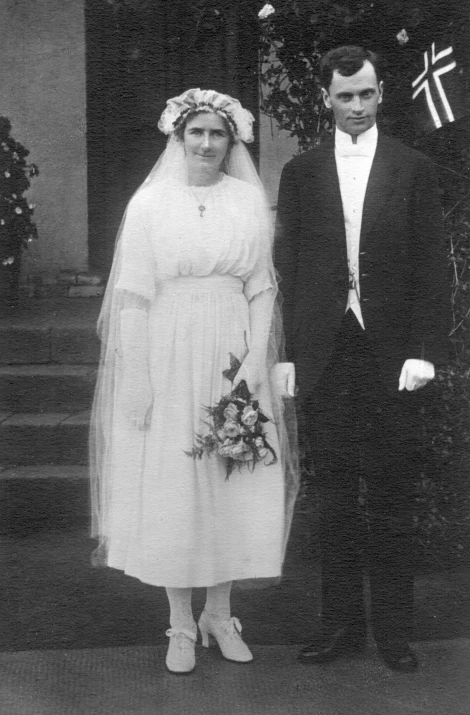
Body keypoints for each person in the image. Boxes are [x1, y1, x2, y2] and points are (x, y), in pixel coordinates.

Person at [90, 89, 299, 675]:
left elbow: (261, 288)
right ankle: (181, 622)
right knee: (176, 482)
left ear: (232, 142)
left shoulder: (247, 202)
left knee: (232, 475)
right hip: (168, 352)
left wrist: (255, 361)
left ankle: (220, 613)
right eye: (196, 133)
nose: (207, 144)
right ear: (178, 139)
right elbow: (131, 297)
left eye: (217, 134)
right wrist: (137, 376)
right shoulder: (151, 204)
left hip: (232, 353)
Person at [275, 46, 449, 672]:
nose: (355, 106)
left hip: (391, 355)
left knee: (392, 496)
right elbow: (288, 267)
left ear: (380, 95)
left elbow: (433, 265)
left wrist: (425, 351)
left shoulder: (413, 168)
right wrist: (288, 354)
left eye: (365, 94)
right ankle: (340, 627)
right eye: (344, 95)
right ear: (327, 97)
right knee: (336, 499)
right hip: (326, 353)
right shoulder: (301, 172)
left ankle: (395, 634)